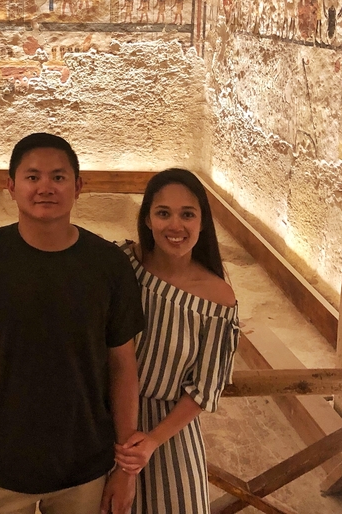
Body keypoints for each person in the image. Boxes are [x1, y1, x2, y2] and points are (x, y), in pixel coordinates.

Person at [0, 133, 145, 514]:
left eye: (58, 177)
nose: (45, 187)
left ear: (78, 186)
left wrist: (125, 471)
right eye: (32, 177)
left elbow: (122, 368)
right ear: (11, 186)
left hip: (86, 471)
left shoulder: (108, 265)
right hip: (1, 472)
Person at [113, 169, 240, 514]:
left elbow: (205, 386)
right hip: (108, 420)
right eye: (163, 213)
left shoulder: (217, 299)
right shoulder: (122, 265)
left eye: (187, 214)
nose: (175, 226)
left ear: (202, 222)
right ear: (147, 219)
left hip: (170, 435)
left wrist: (152, 440)